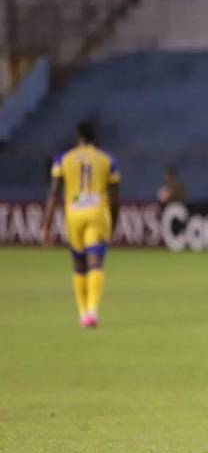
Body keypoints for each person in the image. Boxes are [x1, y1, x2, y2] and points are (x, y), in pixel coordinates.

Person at [40, 122, 121, 328]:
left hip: (74, 214)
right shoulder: (107, 160)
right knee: (95, 262)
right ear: (95, 138)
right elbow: (115, 198)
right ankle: (93, 311)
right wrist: (114, 222)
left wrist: (46, 225)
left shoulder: (63, 159)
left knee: (79, 264)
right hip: (97, 213)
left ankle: (82, 312)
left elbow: (53, 194)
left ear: (78, 138)